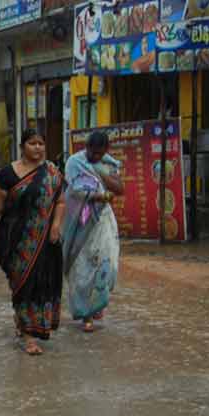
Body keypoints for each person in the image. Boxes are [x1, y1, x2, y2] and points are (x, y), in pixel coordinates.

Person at [0, 129, 66, 356]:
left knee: (40, 284)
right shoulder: (8, 174)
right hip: (14, 240)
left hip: (46, 239)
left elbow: (61, 201)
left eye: (41, 143)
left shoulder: (53, 172)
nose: (37, 148)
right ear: (23, 146)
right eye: (32, 143)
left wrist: (56, 225)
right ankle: (26, 328)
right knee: (21, 283)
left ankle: (29, 335)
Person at [62, 131, 125, 333]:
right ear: (86, 147)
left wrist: (100, 173)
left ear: (105, 150)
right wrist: (99, 195)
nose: (94, 156)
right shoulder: (74, 162)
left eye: (99, 153)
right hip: (80, 222)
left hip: (102, 222)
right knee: (82, 267)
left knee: (107, 263)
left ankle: (98, 304)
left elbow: (120, 189)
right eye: (91, 152)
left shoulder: (109, 164)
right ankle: (85, 315)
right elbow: (76, 189)